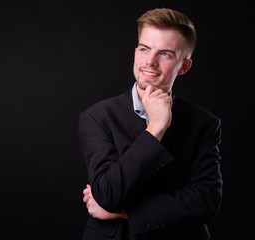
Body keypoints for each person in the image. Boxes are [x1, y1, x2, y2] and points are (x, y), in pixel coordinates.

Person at [78, 8, 222, 240]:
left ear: (183, 66)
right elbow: (108, 195)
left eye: (165, 54)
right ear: (136, 52)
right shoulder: (97, 116)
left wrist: (126, 212)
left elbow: (205, 202)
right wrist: (156, 128)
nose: (150, 62)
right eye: (145, 49)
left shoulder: (204, 123)